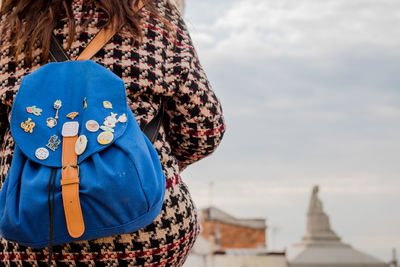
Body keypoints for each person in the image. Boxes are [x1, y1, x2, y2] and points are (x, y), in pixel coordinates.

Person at [0, 0, 225, 265]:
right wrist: (147, 158)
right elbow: (204, 130)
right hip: (147, 232)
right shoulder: (155, 16)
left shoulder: (9, 26)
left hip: (33, 229)